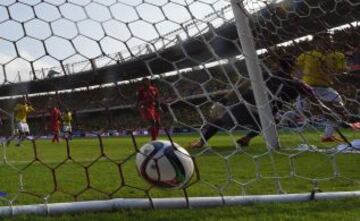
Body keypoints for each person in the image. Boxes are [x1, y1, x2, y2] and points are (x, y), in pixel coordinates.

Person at [188, 57, 315, 148]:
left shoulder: (269, 75)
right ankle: (247, 138)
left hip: (249, 108)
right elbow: (312, 95)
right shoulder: (296, 84)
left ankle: (201, 142)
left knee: (220, 120)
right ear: (293, 68)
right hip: (263, 114)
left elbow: (243, 86)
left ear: (279, 65)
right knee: (272, 121)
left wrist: (223, 101)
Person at [295, 33, 354, 142]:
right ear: (316, 42)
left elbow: (341, 70)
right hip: (308, 89)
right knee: (301, 108)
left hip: (326, 89)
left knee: (338, 108)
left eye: (330, 39)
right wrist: (298, 81)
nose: (329, 42)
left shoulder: (338, 55)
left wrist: (332, 71)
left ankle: (327, 136)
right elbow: (297, 70)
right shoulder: (306, 55)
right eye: (325, 40)